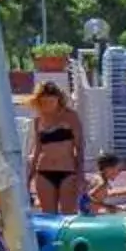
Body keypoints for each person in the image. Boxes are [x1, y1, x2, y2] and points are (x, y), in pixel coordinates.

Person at [27, 80, 84, 215]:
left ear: (59, 100)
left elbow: (80, 147)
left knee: (68, 214)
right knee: (48, 215)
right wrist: (29, 177)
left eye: (51, 102)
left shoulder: (70, 117)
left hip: (67, 171)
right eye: (44, 102)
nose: (47, 106)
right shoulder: (38, 120)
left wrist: (81, 173)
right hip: (44, 171)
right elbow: (37, 149)